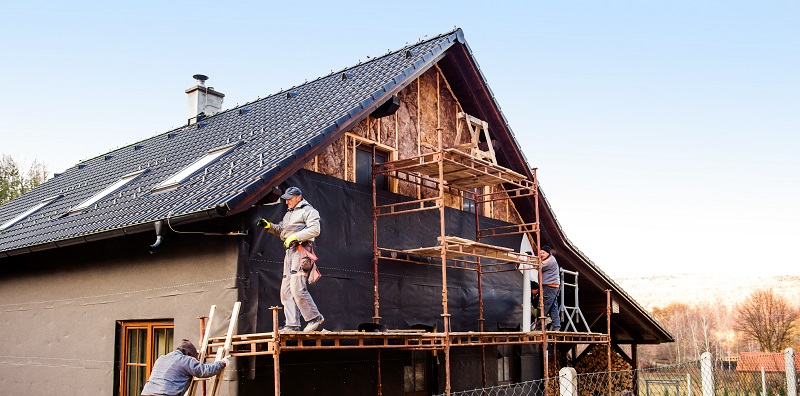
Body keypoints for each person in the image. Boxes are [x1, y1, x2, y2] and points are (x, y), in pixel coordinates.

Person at [256, 186, 325, 332]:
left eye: (289, 199)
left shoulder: (309, 211)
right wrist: (268, 226)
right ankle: (292, 325)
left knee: (297, 288)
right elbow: (282, 230)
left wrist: (295, 237)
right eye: (286, 199)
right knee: (286, 290)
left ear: (298, 198)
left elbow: (315, 230)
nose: (287, 202)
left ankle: (315, 317)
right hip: (289, 252)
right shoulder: (289, 214)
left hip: (301, 250)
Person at [140, 339, 228, 396]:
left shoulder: (161, 358)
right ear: (189, 354)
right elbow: (205, 371)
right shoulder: (185, 360)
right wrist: (222, 363)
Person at [538, 245, 561, 331]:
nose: (541, 255)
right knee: (553, 306)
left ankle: (539, 326)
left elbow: (539, 266)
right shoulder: (550, 259)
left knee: (544, 306)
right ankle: (556, 326)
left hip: (549, 286)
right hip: (552, 286)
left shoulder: (550, 261)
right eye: (540, 253)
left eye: (543, 253)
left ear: (548, 253)